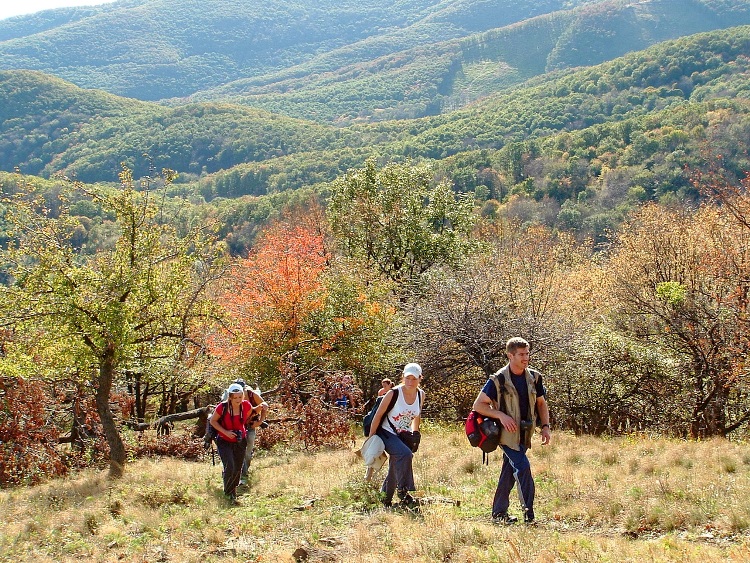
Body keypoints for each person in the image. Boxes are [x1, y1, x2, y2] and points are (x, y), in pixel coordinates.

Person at [472, 337, 551, 524]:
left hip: (525, 433)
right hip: (506, 435)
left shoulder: (535, 377)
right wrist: (501, 415)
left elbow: (541, 404)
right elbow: (478, 405)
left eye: (527, 353)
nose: (526, 358)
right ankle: (529, 516)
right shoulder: (498, 379)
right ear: (510, 355)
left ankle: (499, 513)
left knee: (509, 471)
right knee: (522, 468)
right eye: (521, 354)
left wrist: (546, 427)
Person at [367, 363, 425, 509]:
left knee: (396, 463)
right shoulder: (393, 393)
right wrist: (371, 438)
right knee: (405, 454)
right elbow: (378, 416)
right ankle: (404, 492)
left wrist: (415, 433)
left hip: (403, 435)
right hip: (386, 432)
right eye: (407, 378)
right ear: (402, 377)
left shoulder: (420, 394)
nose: (410, 382)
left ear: (420, 378)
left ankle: (384, 498)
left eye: (414, 378)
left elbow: (417, 415)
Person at [210, 382, 252, 504]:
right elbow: (213, 421)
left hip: (240, 440)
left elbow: (246, 418)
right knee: (230, 466)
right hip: (224, 440)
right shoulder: (222, 407)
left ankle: (232, 491)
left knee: (237, 468)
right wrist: (226, 432)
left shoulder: (246, 406)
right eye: (235, 397)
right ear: (230, 397)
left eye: (240, 397)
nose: (238, 400)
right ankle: (228, 493)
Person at [240, 384, 268, 486]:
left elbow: (264, 405)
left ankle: (245, 471)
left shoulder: (252, 395)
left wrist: (260, 421)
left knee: (248, 451)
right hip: (238, 427)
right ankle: (243, 474)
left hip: (250, 426)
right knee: (239, 450)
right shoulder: (231, 397)